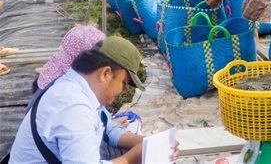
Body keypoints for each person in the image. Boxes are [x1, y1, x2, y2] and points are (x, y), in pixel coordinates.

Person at [10, 36, 180, 163]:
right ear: (105, 73)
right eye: (124, 83)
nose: (122, 91)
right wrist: (132, 158)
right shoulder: (74, 108)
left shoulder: (77, 87)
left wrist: (149, 144)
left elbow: (110, 130)